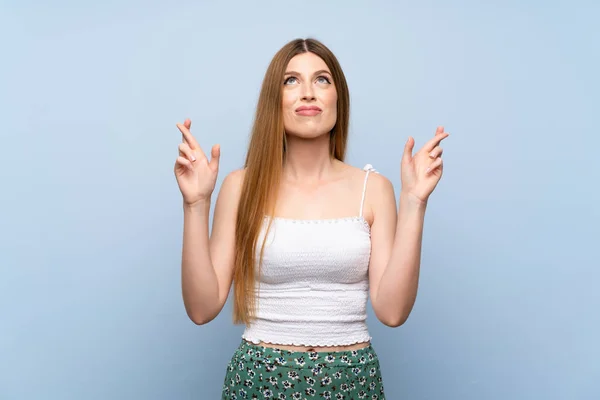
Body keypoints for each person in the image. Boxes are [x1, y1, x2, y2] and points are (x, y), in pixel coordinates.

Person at [174, 38, 449, 399]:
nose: (307, 93)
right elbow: (201, 307)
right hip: (258, 383)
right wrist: (196, 204)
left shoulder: (374, 189)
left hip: (352, 382)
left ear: (339, 98)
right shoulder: (240, 187)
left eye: (321, 80)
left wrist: (414, 201)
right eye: (291, 81)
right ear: (275, 100)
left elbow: (393, 312)